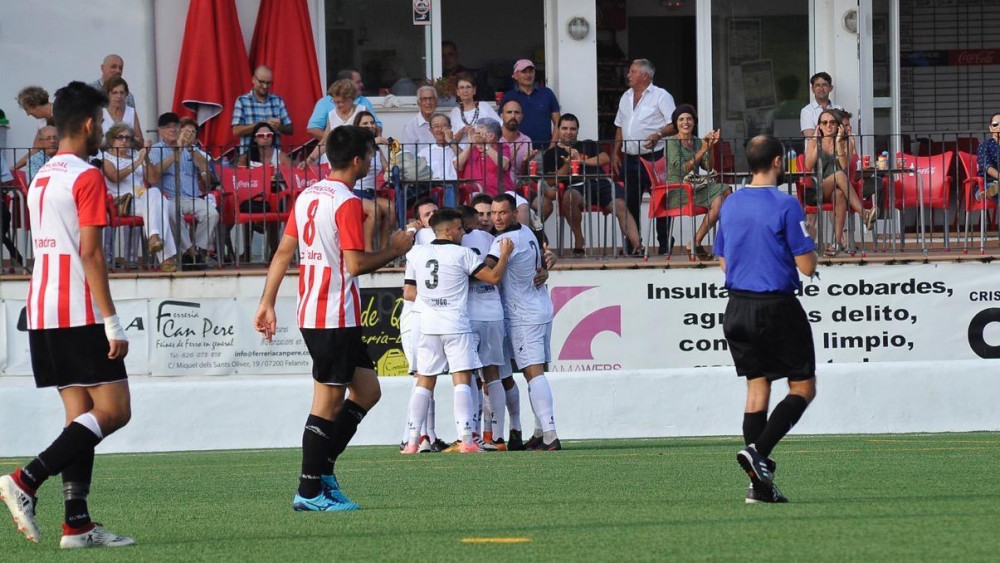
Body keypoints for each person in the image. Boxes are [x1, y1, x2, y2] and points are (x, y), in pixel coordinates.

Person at [0, 81, 135, 548]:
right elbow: (91, 254)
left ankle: (76, 524)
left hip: (42, 309)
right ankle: (25, 479)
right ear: (90, 123)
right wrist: (112, 321)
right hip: (78, 310)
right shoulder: (87, 175)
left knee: (80, 417)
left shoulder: (40, 175)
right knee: (115, 411)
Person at [254, 125, 413, 511]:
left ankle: (323, 472)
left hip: (324, 312)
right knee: (326, 402)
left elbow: (282, 253)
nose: (372, 162)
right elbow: (356, 264)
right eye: (370, 157)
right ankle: (308, 491)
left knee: (368, 391)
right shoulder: (346, 202)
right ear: (357, 161)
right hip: (331, 315)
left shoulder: (309, 194)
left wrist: (267, 302)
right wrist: (395, 250)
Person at [714, 134, 818, 504]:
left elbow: (722, 258)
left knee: (757, 389)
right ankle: (759, 452)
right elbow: (807, 266)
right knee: (804, 387)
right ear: (778, 162)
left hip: (737, 307)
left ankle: (760, 488)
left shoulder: (730, 203)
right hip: (775, 305)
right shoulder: (786, 204)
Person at [401, 208, 513, 454]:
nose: (464, 233)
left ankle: (411, 441)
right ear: (449, 230)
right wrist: (504, 254)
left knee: (424, 381)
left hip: (428, 326)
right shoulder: (462, 254)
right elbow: (493, 277)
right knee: (461, 379)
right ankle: (467, 440)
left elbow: (409, 289)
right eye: (460, 228)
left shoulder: (417, 253)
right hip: (456, 325)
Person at [488, 193, 560, 450]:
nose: (497, 217)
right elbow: (542, 261)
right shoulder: (529, 232)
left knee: (533, 373)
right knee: (534, 374)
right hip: (541, 308)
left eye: (502, 212)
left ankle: (551, 435)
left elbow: (488, 273)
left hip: (523, 315)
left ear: (514, 213)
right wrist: (545, 268)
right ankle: (540, 432)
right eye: (494, 212)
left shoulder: (503, 242)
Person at [543, 113, 642, 257]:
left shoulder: (588, 144)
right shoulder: (551, 153)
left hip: (601, 184)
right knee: (569, 197)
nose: (569, 132)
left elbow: (605, 158)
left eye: (573, 129)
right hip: (576, 187)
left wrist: (581, 161)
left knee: (620, 205)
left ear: (577, 130)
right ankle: (579, 241)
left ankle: (638, 247)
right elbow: (551, 181)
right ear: (558, 130)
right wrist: (568, 164)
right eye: (564, 128)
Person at [470, 193, 525, 448]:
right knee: (494, 376)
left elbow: (490, 275)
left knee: (499, 375)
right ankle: (498, 433)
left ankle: (505, 432)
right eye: (484, 214)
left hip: (496, 312)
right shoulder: (490, 239)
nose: (487, 218)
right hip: (494, 312)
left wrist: (546, 265)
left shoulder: (503, 239)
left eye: (491, 213)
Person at [102, 122, 189, 273]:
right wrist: (138, 162)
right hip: (123, 202)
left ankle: (154, 237)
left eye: (127, 138)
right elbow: (114, 177)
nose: (124, 141)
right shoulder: (106, 158)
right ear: (111, 140)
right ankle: (166, 258)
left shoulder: (137, 155)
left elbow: (154, 179)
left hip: (143, 200)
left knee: (155, 193)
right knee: (162, 205)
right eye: (120, 137)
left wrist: (146, 157)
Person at [611, 59, 677, 255]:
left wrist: (658, 135)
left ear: (645, 76)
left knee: (661, 201)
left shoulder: (661, 96)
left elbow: (673, 124)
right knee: (630, 202)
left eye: (632, 71)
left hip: (655, 156)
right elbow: (620, 126)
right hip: (630, 157)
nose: (628, 75)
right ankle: (634, 244)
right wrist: (615, 152)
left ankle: (664, 243)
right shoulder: (626, 96)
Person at [803, 109, 876, 256]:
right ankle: (864, 214)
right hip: (819, 189)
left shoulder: (846, 142)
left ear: (838, 125)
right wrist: (817, 143)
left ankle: (835, 244)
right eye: (824, 123)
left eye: (832, 122)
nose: (828, 126)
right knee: (839, 176)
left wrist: (838, 143)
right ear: (820, 126)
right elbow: (808, 165)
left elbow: (844, 165)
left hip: (838, 188)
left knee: (840, 194)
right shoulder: (813, 142)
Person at [663, 104, 731, 260]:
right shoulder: (672, 143)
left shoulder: (696, 141)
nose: (685, 122)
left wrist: (711, 147)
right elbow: (681, 170)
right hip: (678, 190)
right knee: (723, 194)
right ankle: (703, 243)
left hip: (696, 188)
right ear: (676, 124)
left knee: (723, 196)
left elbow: (709, 167)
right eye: (681, 119)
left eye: (689, 119)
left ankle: (695, 241)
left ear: (694, 122)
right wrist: (703, 149)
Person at [150, 112, 218, 265]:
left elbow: (206, 170)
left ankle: (199, 250)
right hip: (170, 198)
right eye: (168, 127)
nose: (173, 130)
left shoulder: (191, 149)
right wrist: (177, 151)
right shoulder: (156, 149)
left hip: (193, 198)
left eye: (176, 127)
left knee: (212, 213)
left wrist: (192, 150)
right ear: (160, 130)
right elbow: (155, 173)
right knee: (172, 212)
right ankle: (190, 251)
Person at [352, 111, 394, 251]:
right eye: (365, 123)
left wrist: (395, 156)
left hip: (371, 194)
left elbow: (387, 169)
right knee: (374, 210)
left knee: (390, 207)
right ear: (357, 127)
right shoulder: (353, 146)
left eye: (372, 122)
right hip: (354, 193)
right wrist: (370, 143)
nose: (370, 126)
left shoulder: (377, 150)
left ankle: (383, 252)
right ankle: (368, 252)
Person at [303, 79, 365, 167]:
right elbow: (325, 142)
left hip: (355, 162)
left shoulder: (361, 111)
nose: (337, 105)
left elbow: (368, 138)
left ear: (350, 98)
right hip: (335, 163)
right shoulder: (332, 115)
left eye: (340, 102)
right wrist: (309, 160)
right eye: (335, 102)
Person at [306, 70, 382, 142]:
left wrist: (376, 139)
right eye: (358, 82)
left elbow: (376, 125)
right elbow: (313, 129)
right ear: (347, 84)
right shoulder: (324, 103)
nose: (362, 84)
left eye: (341, 102)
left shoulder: (364, 101)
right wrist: (337, 141)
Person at [500, 59, 560, 149]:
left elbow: (558, 121)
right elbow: (501, 122)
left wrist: (552, 147)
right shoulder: (509, 96)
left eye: (531, 71)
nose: (528, 75)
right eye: (524, 72)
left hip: (544, 150)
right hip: (517, 150)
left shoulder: (547, 93)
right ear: (515, 75)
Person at [231, 65, 293, 151]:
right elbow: (236, 131)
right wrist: (262, 124)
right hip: (249, 157)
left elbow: (290, 129)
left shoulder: (278, 101)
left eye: (268, 83)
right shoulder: (242, 101)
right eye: (261, 82)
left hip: (274, 158)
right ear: (253, 80)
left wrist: (279, 126)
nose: (265, 86)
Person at [457, 119, 511, 196]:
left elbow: (504, 165)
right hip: (476, 196)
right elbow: (458, 166)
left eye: (479, 134)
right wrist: (470, 145)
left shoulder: (502, 147)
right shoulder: (472, 149)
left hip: (502, 195)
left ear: (491, 136)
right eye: (475, 134)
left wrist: (486, 145)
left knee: (523, 205)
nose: (475, 137)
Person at [449, 73, 501, 147]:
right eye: (461, 87)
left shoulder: (484, 106)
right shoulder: (454, 112)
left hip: (484, 152)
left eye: (468, 87)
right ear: (457, 91)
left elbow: (499, 128)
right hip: (462, 154)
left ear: (474, 90)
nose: (465, 90)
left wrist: (480, 132)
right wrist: (462, 131)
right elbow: (451, 141)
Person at [14, 87, 55, 170]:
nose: (28, 114)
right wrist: (14, 168)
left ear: (36, 106)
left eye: (27, 109)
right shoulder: (42, 121)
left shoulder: (63, 113)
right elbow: (36, 150)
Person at [100, 76, 143, 148]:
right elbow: (93, 143)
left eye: (122, 92)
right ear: (108, 95)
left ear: (126, 94)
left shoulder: (131, 112)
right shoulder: (101, 113)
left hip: (128, 156)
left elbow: (141, 143)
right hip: (105, 156)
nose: (119, 96)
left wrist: (130, 138)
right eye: (114, 93)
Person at [418, 113, 460, 183]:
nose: (440, 129)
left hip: (455, 187)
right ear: (431, 131)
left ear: (450, 128)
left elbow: (466, 161)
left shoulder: (457, 149)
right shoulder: (424, 153)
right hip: (432, 189)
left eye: (444, 125)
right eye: (436, 126)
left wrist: (450, 141)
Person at [800, 72, 843, 139]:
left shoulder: (839, 109)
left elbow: (843, 133)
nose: (821, 89)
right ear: (812, 89)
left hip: (836, 149)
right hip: (815, 149)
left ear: (830, 88)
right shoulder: (806, 111)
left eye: (824, 85)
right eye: (817, 85)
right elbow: (810, 136)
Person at [976, 113, 1000, 201]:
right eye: (995, 124)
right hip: (987, 183)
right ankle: (988, 192)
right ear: (990, 128)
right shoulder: (984, 145)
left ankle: (989, 193)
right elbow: (986, 166)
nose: (999, 127)